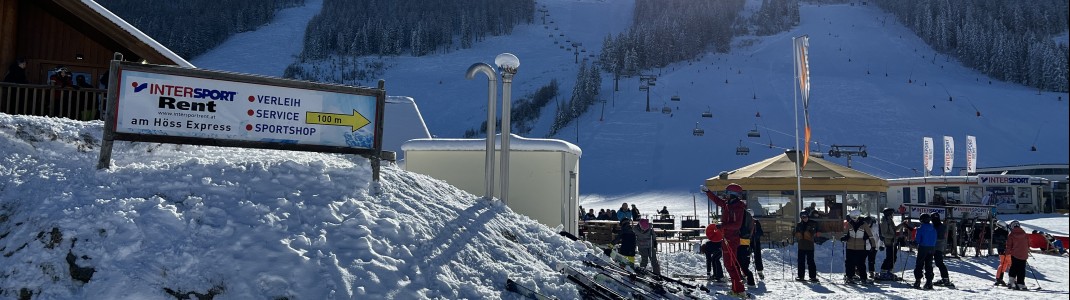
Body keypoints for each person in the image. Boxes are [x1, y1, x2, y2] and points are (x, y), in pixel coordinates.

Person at [701, 183, 748, 297]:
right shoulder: (728, 204)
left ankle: (739, 290)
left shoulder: (738, 208)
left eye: (727, 193)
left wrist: (723, 226)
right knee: (730, 265)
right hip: (726, 237)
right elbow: (717, 201)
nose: (725, 195)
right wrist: (708, 192)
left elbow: (737, 225)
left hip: (731, 239)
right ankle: (736, 289)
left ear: (733, 195)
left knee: (730, 265)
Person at [842, 210, 878, 284]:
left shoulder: (864, 224)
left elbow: (871, 236)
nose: (853, 219)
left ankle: (863, 278)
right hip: (850, 246)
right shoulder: (849, 224)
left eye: (854, 217)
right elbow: (845, 234)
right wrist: (845, 238)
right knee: (849, 263)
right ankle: (849, 277)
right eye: (852, 217)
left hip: (861, 247)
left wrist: (873, 246)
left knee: (861, 263)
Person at [877, 208, 904, 280]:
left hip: (893, 241)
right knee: (889, 257)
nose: (893, 215)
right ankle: (883, 271)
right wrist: (893, 236)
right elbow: (884, 233)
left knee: (893, 257)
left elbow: (894, 229)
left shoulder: (890, 221)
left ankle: (889, 271)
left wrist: (902, 224)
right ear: (888, 214)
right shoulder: (884, 222)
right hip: (889, 242)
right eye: (892, 213)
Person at [913, 213, 937, 289]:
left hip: (923, 247)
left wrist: (913, 242)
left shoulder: (920, 229)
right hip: (932, 247)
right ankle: (929, 282)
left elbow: (918, 240)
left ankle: (917, 281)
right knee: (929, 264)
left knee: (919, 264)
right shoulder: (933, 229)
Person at [794, 212, 820, 282]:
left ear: (808, 216)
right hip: (801, 245)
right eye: (803, 217)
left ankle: (813, 276)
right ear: (801, 218)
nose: (804, 218)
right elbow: (796, 234)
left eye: (805, 217)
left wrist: (808, 234)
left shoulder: (812, 223)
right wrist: (798, 234)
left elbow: (814, 232)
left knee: (810, 261)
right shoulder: (799, 225)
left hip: (809, 245)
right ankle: (801, 276)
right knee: (801, 261)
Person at [1004, 220, 1029, 290]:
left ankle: (1011, 282)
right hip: (1023, 254)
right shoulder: (1024, 233)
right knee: (1021, 269)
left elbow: (1009, 245)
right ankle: (1021, 283)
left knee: (1014, 267)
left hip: (1015, 254)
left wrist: (1007, 252)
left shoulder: (1011, 234)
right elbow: (1028, 243)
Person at [931, 213, 952, 287]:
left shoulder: (939, 227)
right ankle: (944, 279)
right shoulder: (939, 226)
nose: (934, 221)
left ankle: (945, 279)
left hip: (936, 247)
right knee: (936, 263)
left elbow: (939, 237)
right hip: (935, 247)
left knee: (939, 263)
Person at [992, 221, 1011, 286]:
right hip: (1006, 249)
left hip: (1000, 249)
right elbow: (1007, 239)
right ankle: (1012, 279)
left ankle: (998, 278)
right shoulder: (1004, 232)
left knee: (1003, 263)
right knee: (1010, 263)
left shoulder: (996, 231)